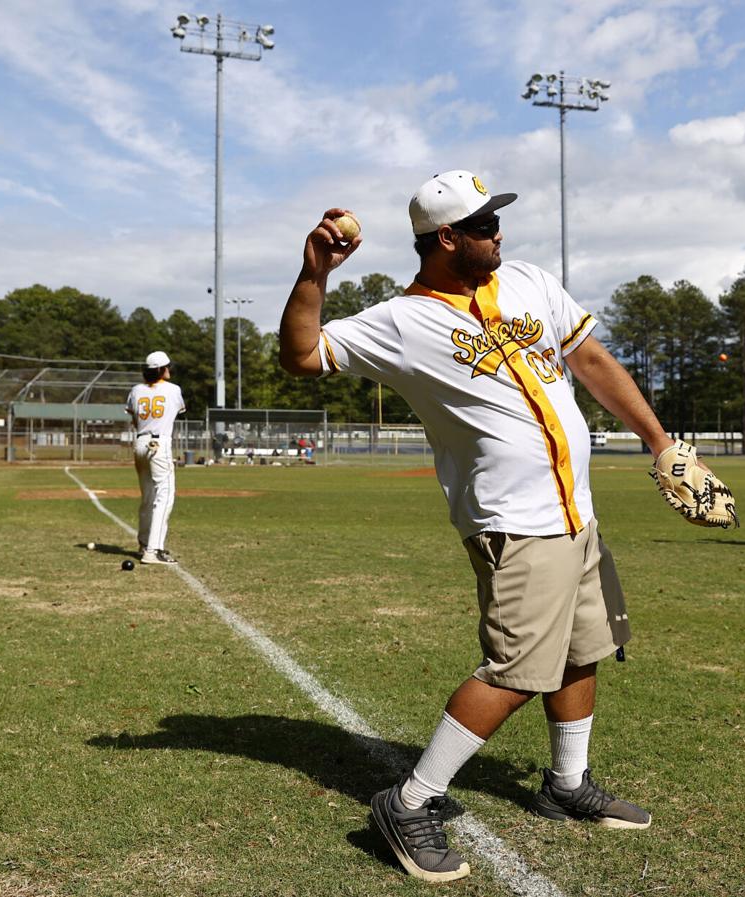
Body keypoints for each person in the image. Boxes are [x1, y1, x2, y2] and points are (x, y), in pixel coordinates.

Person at [279, 170, 706, 883]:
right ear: (446, 239)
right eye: (483, 226)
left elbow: (591, 362)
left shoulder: (530, 282)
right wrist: (313, 274)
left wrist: (660, 441)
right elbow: (302, 355)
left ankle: (566, 784)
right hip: (515, 521)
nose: (497, 234)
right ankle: (409, 799)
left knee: (582, 649)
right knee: (515, 671)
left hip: (576, 510)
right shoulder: (401, 321)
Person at [126, 351, 185, 565]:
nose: (169, 370)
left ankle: (144, 543)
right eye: (166, 367)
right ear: (161, 370)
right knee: (164, 496)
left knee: (148, 496)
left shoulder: (135, 390)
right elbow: (176, 410)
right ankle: (154, 550)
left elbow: (134, 418)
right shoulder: (173, 390)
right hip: (159, 444)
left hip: (140, 442)